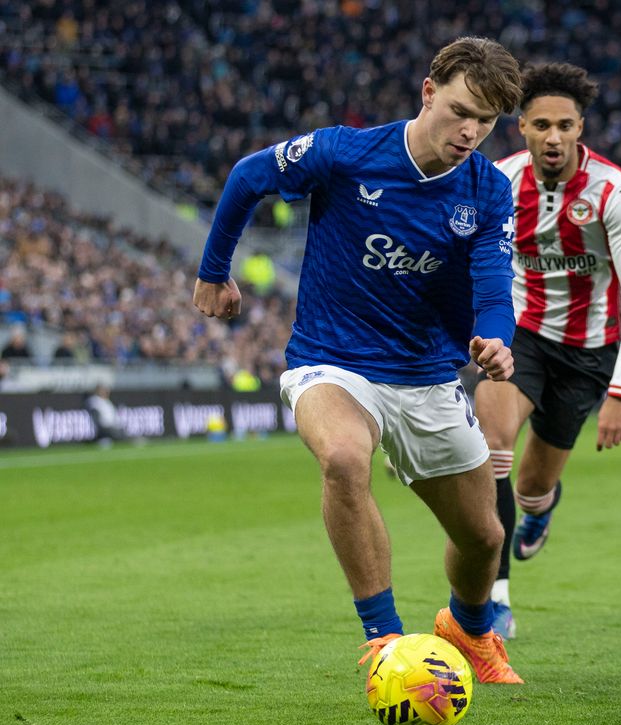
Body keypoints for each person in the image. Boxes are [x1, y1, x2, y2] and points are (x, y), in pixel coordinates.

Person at [192, 37, 525, 684]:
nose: (470, 132)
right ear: (428, 92)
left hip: (427, 374)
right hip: (331, 360)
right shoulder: (345, 153)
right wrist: (213, 271)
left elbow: (491, 284)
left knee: (485, 538)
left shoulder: (487, 191)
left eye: (484, 122)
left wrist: (493, 337)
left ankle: (469, 626)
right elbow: (247, 177)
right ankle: (385, 642)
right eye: (459, 111)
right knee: (344, 457)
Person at [476, 63, 621, 638]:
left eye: (564, 125)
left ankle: (538, 509)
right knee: (493, 449)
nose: (553, 137)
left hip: (587, 351)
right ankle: (495, 599)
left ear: (581, 128)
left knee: (531, 485)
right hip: (521, 335)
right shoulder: (500, 181)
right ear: (521, 127)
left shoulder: (613, 190)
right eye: (541, 125)